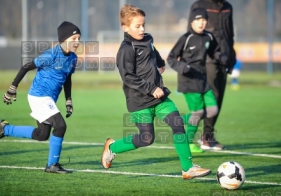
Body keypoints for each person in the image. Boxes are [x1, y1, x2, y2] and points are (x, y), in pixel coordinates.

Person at [101, 4, 211, 180]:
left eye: (143, 24)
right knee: (146, 138)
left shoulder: (148, 39)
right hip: (139, 102)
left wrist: (160, 62)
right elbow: (128, 77)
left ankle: (187, 168)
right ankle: (112, 148)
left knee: (177, 124)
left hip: (160, 99)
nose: (142, 29)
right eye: (137, 26)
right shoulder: (126, 49)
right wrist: (151, 88)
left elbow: (153, 51)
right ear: (125, 27)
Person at [0, 21, 81, 174]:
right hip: (39, 96)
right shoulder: (50, 55)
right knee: (60, 126)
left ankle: (5, 129)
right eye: (74, 39)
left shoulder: (73, 58)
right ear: (64, 40)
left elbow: (67, 78)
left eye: (79, 38)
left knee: (42, 135)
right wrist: (12, 88)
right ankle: (52, 165)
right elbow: (26, 66)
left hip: (49, 99)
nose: (77, 42)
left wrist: (68, 99)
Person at [167, 8, 227, 153]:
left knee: (212, 110)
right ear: (192, 22)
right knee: (198, 112)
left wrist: (220, 57)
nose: (201, 23)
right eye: (198, 20)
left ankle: (180, 119)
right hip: (188, 81)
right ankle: (187, 143)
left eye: (204, 20)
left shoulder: (209, 37)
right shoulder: (185, 38)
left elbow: (214, 51)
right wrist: (182, 67)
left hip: (202, 80)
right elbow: (171, 58)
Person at [189, 0, 236, 150]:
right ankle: (200, 136)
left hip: (225, 57)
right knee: (212, 96)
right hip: (208, 58)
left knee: (219, 97)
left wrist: (231, 56)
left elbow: (230, 34)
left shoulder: (228, 7)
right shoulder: (199, 5)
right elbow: (191, 32)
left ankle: (206, 136)